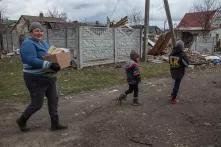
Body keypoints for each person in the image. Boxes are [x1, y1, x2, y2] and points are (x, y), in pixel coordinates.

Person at [16, 22, 67, 132]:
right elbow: (29, 59)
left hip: (49, 76)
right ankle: (22, 120)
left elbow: (51, 54)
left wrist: (62, 59)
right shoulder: (28, 43)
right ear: (31, 32)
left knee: (54, 99)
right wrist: (49, 65)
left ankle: (55, 124)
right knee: (37, 104)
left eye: (41, 31)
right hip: (35, 78)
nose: (39, 33)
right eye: (36, 31)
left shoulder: (43, 43)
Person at [169, 40, 189, 104]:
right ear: (181, 47)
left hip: (172, 71)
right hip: (179, 71)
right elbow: (186, 64)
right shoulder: (182, 54)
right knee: (177, 85)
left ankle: (172, 94)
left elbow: (169, 62)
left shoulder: (172, 53)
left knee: (175, 84)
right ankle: (173, 98)